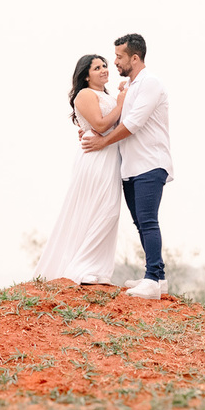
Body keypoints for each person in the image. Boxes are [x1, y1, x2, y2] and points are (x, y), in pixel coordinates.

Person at [81, 33, 173, 300]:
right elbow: (108, 119)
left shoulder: (150, 84)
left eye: (119, 57)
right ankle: (160, 278)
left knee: (148, 221)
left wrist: (103, 142)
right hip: (130, 166)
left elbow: (133, 124)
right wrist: (88, 133)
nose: (115, 62)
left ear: (135, 57)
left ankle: (153, 278)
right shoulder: (130, 88)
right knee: (140, 223)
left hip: (150, 163)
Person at [34, 54, 126, 284]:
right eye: (97, 67)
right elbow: (101, 124)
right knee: (101, 209)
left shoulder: (107, 96)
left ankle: (94, 267)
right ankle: (81, 267)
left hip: (110, 157)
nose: (104, 69)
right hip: (95, 158)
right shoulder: (85, 94)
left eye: (105, 65)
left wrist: (123, 96)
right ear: (86, 75)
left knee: (108, 210)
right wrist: (122, 103)